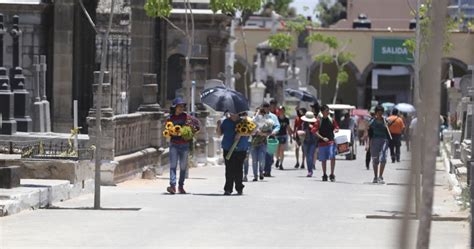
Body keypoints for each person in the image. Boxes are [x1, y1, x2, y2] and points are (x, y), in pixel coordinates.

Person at [166, 97, 196, 194]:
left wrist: (191, 130)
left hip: (184, 145)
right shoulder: (170, 119)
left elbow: (196, 125)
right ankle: (172, 185)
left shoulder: (187, 117)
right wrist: (171, 133)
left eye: (182, 106)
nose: (181, 108)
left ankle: (181, 186)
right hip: (174, 144)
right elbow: (167, 131)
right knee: (173, 166)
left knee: (183, 167)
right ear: (175, 107)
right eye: (179, 106)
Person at [216, 112, 250, 195]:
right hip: (228, 148)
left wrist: (240, 133)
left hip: (241, 149)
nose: (231, 114)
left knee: (238, 169)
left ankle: (239, 187)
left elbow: (252, 132)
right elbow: (219, 134)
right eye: (230, 113)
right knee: (229, 169)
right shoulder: (225, 122)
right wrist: (218, 126)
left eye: (233, 113)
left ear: (238, 113)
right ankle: (228, 189)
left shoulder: (244, 121)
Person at [251, 103, 280, 180]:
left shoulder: (271, 118)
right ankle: (255, 176)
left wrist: (267, 133)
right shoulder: (254, 118)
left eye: (266, 109)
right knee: (254, 160)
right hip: (254, 141)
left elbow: (275, 127)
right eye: (263, 109)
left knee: (262, 159)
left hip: (264, 141)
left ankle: (263, 171)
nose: (264, 111)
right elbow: (250, 128)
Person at [313, 105, 339, 182]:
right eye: (327, 111)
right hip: (322, 143)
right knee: (323, 159)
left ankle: (332, 174)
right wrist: (322, 138)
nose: (328, 112)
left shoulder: (331, 120)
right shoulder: (318, 121)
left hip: (331, 141)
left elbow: (336, 127)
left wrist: (336, 130)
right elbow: (314, 131)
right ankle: (324, 174)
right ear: (322, 112)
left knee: (332, 156)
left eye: (328, 111)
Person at [367, 105, 390, 184]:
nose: (380, 115)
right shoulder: (372, 121)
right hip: (374, 141)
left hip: (384, 140)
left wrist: (388, 124)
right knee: (375, 159)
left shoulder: (385, 120)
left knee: (383, 158)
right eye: (378, 113)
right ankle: (375, 176)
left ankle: (380, 176)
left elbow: (389, 129)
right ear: (376, 113)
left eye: (381, 113)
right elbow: (368, 132)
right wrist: (368, 144)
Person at [301, 111, 318, 177]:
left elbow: (316, 133)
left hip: (312, 142)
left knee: (310, 156)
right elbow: (302, 132)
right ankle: (309, 170)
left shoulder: (315, 124)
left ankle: (310, 171)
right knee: (307, 156)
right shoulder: (303, 124)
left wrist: (312, 128)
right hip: (305, 141)